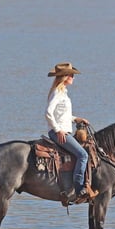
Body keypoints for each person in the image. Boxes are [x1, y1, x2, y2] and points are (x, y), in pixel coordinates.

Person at [45, 62, 90, 203]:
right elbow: (48, 113)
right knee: (83, 155)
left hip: (64, 130)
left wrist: (77, 119)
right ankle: (79, 188)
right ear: (64, 76)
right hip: (58, 132)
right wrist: (58, 130)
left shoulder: (63, 92)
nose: (73, 77)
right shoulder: (57, 93)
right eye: (71, 75)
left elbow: (62, 116)